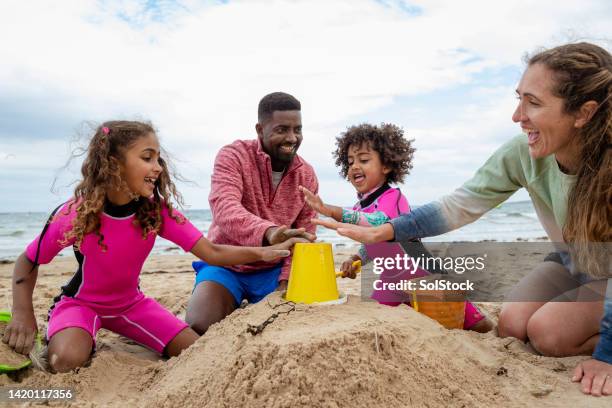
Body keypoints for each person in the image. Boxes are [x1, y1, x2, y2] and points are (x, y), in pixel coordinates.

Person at [313, 42, 612, 396]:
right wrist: (389, 230)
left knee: (548, 335)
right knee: (513, 326)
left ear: (583, 113)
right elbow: (461, 204)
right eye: (518, 99)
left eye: (533, 102)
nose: (518, 116)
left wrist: (606, 354)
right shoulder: (523, 153)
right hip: (568, 261)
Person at [2, 120, 297, 373]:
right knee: (64, 360)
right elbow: (29, 260)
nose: (157, 167)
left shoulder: (156, 212)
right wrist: (22, 313)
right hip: (81, 304)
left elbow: (212, 252)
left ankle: (91, 337)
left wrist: (264, 251)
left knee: (194, 351)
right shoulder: (77, 213)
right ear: (114, 164)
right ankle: (78, 334)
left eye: (158, 159)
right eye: (147, 158)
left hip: (131, 305)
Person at [299, 123, 492, 332]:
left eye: (363, 160)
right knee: (376, 322)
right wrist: (355, 259)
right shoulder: (358, 208)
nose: (354, 166)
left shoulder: (394, 198)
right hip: (390, 283)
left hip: (424, 277)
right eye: (350, 161)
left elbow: (377, 224)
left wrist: (331, 210)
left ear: (387, 166)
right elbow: (372, 242)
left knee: (474, 324)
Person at [185, 92, 318, 335]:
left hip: (274, 271)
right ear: (260, 129)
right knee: (200, 326)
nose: (292, 138)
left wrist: (285, 283)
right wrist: (270, 232)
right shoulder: (233, 156)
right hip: (227, 264)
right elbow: (224, 209)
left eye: (297, 129)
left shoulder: (306, 175)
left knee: (292, 325)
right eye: (282, 129)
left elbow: (304, 237)